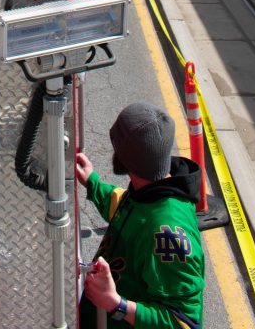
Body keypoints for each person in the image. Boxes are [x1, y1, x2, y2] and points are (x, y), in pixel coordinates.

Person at [76, 102, 204, 328]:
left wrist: (116, 303)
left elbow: (185, 322)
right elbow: (126, 209)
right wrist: (92, 182)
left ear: (125, 159)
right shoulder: (149, 191)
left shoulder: (168, 236)